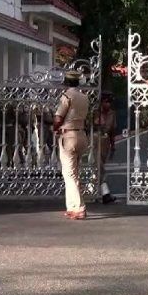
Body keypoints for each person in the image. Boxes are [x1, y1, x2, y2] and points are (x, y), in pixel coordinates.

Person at [54, 70, 90, 220]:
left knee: (69, 173)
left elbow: (58, 117)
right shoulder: (84, 97)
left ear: (66, 82)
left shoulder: (67, 96)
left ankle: (79, 208)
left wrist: (55, 128)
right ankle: (72, 207)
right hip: (81, 135)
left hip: (69, 136)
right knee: (74, 173)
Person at [93, 92, 117, 204]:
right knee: (99, 166)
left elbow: (112, 130)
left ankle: (98, 192)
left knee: (100, 165)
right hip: (95, 140)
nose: (108, 104)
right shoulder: (95, 112)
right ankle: (105, 193)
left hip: (105, 141)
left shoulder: (112, 113)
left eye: (110, 102)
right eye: (106, 102)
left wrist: (113, 146)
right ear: (101, 102)